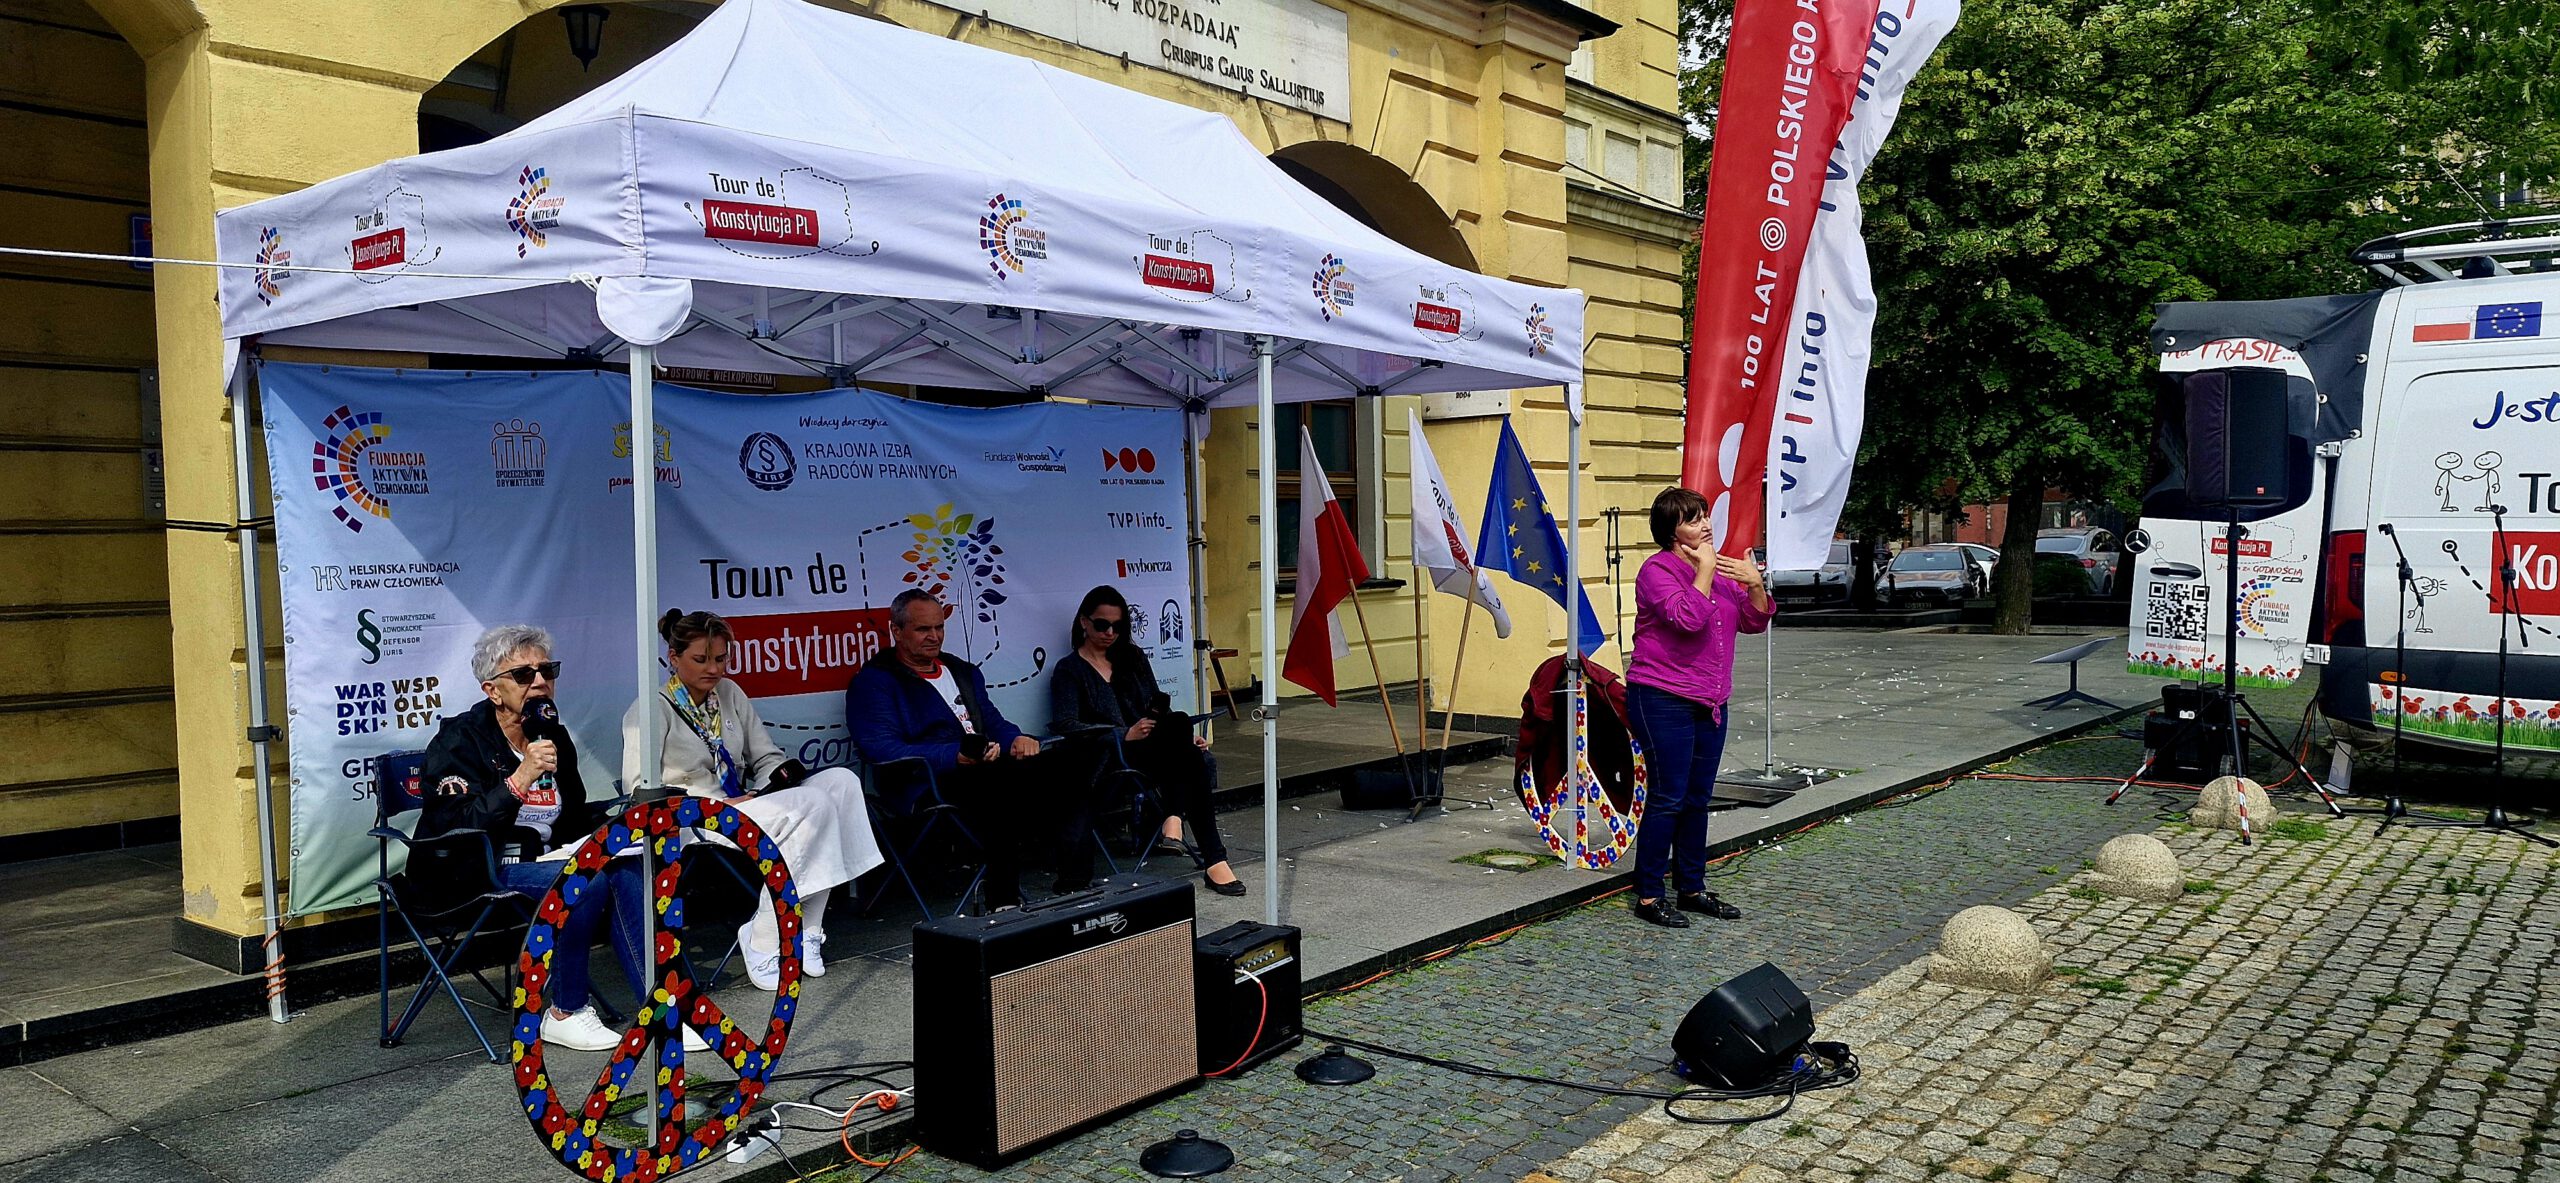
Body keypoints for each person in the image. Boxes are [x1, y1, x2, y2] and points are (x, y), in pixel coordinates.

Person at [419, 624, 686, 1051]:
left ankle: (663, 1009)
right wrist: (521, 776)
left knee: (627, 866)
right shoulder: (458, 740)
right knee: (583, 882)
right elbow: (454, 826)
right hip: (475, 870)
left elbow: (572, 813)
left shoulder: (551, 732)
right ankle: (565, 1011)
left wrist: (612, 831)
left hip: (548, 857)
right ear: (493, 691)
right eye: (524, 675)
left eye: (548, 670)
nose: (541, 681)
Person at [624, 610, 885, 991]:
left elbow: (765, 757)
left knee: (841, 783)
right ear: (673, 658)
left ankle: (807, 929)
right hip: (692, 819)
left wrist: (775, 784)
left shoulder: (729, 693)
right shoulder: (651, 708)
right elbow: (639, 789)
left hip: (744, 804)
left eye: (721, 659)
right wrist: (720, 804)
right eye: (701, 659)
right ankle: (763, 936)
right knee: (813, 805)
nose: (713, 669)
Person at [848, 590, 1089, 912]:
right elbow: (880, 748)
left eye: (939, 627)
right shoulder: (875, 681)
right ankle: (1002, 901)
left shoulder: (960, 671)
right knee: (996, 788)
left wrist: (1017, 739)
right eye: (923, 629)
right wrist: (954, 755)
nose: (934, 636)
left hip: (984, 767)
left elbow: (992, 721)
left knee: (1069, 765)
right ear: (896, 631)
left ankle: (1076, 885)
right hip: (926, 782)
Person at [1623, 487, 1773, 929]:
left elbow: (1752, 621)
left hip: (1711, 701)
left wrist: (1754, 584)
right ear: (1672, 531)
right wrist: (1704, 570)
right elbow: (1687, 619)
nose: (1706, 524)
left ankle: (1691, 888)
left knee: (1697, 797)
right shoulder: (1657, 571)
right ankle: (1649, 894)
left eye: (1705, 515)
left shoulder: (1718, 569)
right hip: (1662, 697)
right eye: (1693, 519)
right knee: (1668, 796)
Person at [1049, 586, 1245, 897]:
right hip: (1111, 758)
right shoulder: (1069, 670)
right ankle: (1206, 852)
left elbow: (1157, 706)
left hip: (1154, 751)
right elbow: (1067, 724)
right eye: (1102, 624)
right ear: (1084, 622)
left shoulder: (1132, 657)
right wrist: (1122, 734)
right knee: (1189, 757)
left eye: (1117, 626)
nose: (1110, 633)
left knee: (1179, 724)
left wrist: (1184, 738)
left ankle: (1186, 829)